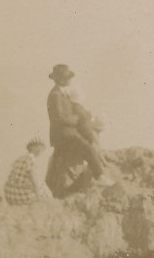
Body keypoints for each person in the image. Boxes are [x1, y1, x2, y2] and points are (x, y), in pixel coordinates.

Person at [45, 63, 109, 196]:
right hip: (64, 135)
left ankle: (63, 189)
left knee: (58, 166)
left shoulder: (63, 94)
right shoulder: (56, 95)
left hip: (66, 133)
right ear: (60, 79)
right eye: (67, 77)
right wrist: (79, 119)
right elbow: (60, 118)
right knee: (88, 148)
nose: (69, 80)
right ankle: (100, 176)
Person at [4, 137, 49, 206]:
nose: (41, 151)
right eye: (40, 148)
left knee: (40, 186)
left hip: (9, 193)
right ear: (33, 148)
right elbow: (34, 179)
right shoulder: (31, 159)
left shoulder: (21, 158)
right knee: (46, 192)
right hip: (21, 195)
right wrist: (39, 196)